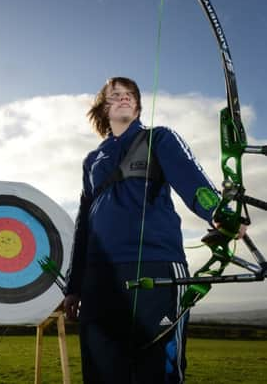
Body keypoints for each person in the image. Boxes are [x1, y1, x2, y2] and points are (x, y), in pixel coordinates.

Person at [63, 77, 245, 383]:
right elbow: (84, 223)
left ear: (137, 107)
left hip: (156, 268)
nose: (124, 98)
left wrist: (218, 212)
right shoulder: (92, 160)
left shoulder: (159, 138)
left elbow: (194, 182)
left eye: (130, 95)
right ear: (102, 108)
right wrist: (74, 285)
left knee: (158, 372)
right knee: (102, 373)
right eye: (115, 94)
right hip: (99, 279)